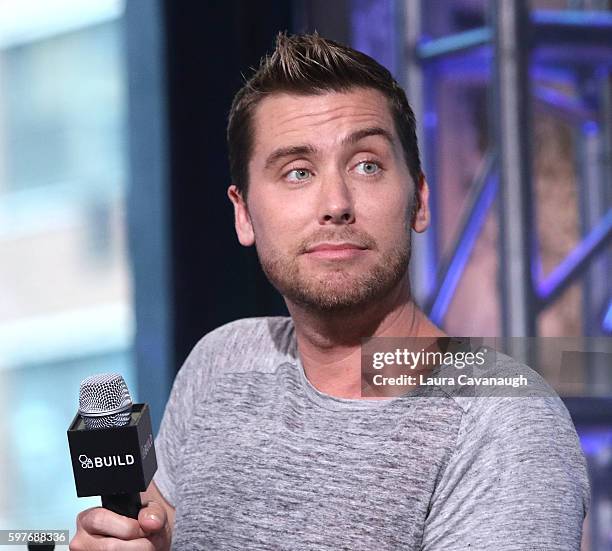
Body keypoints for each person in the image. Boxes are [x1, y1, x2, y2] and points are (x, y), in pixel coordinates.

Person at [70, 32, 590, 550]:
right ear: (245, 213)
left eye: (367, 164)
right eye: (297, 172)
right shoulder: (223, 361)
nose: (336, 202)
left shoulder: (504, 420)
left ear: (419, 200)